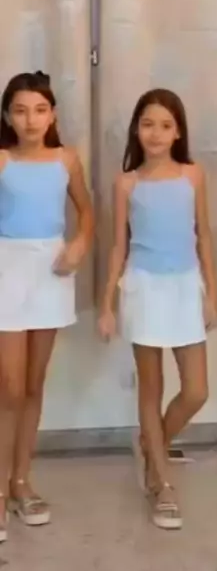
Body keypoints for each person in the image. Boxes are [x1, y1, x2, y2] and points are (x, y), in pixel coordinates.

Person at [98, 89, 217, 530]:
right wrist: (107, 303)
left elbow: (204, 235)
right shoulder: (127, 183)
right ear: (136, 129)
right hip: (144, 288)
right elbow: (118, 245)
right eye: (148, 124)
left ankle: (153, 445)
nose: (156, 133)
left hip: (185, 285)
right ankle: (162, 483)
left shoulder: (193, 176)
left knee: (196, 389)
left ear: (178, 132)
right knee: (150, 388)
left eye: (165, 125)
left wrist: (212, 293)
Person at [0, 71, 93, 543]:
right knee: (9, 387)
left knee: (34, 384)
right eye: (20, 111)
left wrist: (79, 244)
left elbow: (88, 212)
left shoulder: (66, 159)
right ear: (7, 117)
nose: (30, 120)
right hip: (7, 269)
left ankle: (21, 481)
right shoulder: (1, 160)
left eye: (39, 110)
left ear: (52, 114)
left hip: (51, 271)